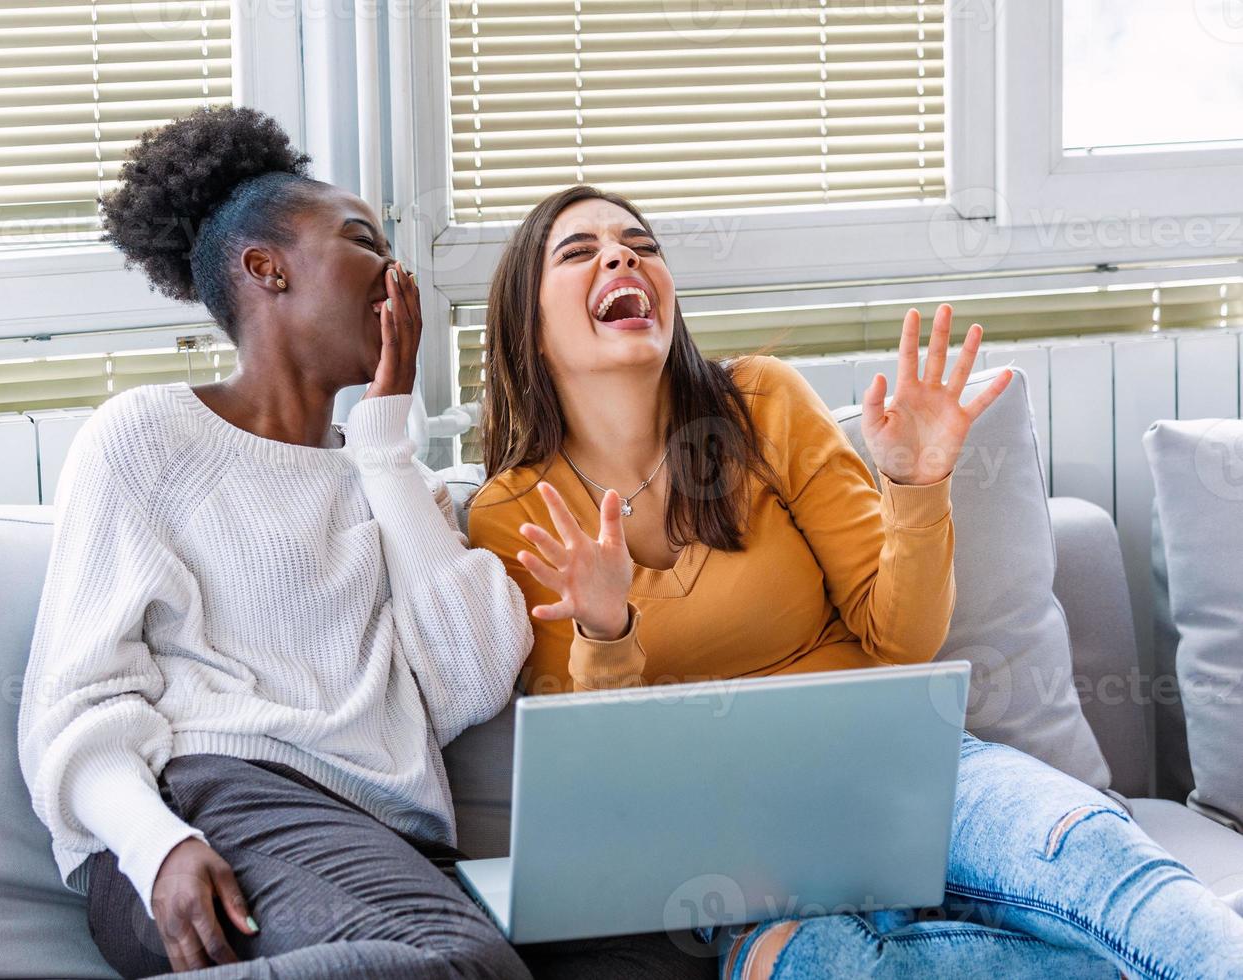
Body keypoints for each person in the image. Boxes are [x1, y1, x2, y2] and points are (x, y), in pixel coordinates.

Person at [466, 183, 1243, 979]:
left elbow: (902, 642)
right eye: (579, 251)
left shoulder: (761, 404)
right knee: (818, 965)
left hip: (911, 778)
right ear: (527, 322)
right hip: (747, 864)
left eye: (640, 244)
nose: (622, 255)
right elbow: (608, 779)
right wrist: (606, 631)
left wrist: (914, 484)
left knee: (1087, 846)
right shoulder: (513, 510)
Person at [17, 106, 534, 979]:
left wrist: (384, 440)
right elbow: (75, 699)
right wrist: (157, 847)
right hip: (213, 811)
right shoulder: (148, 436)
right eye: (364, 240)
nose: (395, 272)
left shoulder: (390, 477)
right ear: (267, 270)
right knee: (462, 965)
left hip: (382, 842)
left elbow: (471, 677)